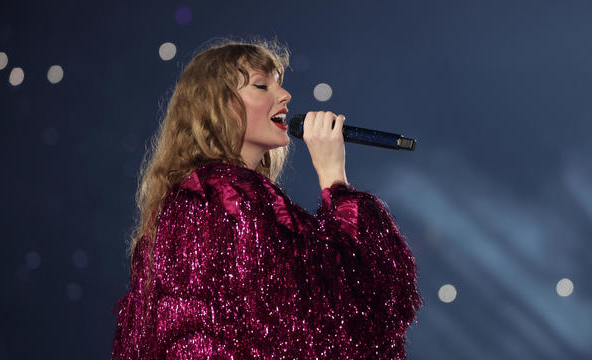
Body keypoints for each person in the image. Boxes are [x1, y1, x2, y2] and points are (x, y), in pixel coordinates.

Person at [111, 38, 422, 360]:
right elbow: (347, 310)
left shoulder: (187, 202)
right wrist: (334, 176)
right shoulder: (231, 196)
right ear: (217, 105)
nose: (285, 96)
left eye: (279, 84)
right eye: (262, 86)